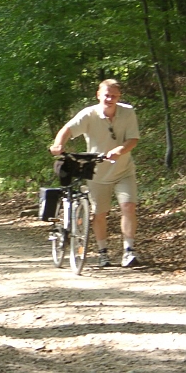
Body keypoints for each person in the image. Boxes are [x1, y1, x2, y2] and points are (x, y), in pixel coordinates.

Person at [49, 79, 140, 268]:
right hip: (98, 172)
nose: (110, 99)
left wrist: (119, 150)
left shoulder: (127, 112)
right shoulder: (89, 114)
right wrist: (59, 144)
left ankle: (129, 251)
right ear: (98, 95)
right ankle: (102, 252)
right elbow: (67, 129)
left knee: (128, 206)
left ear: (119, 96)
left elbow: (133, 139)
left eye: (114, 95)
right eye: (106, 95)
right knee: (100, 213)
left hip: (124, 170)